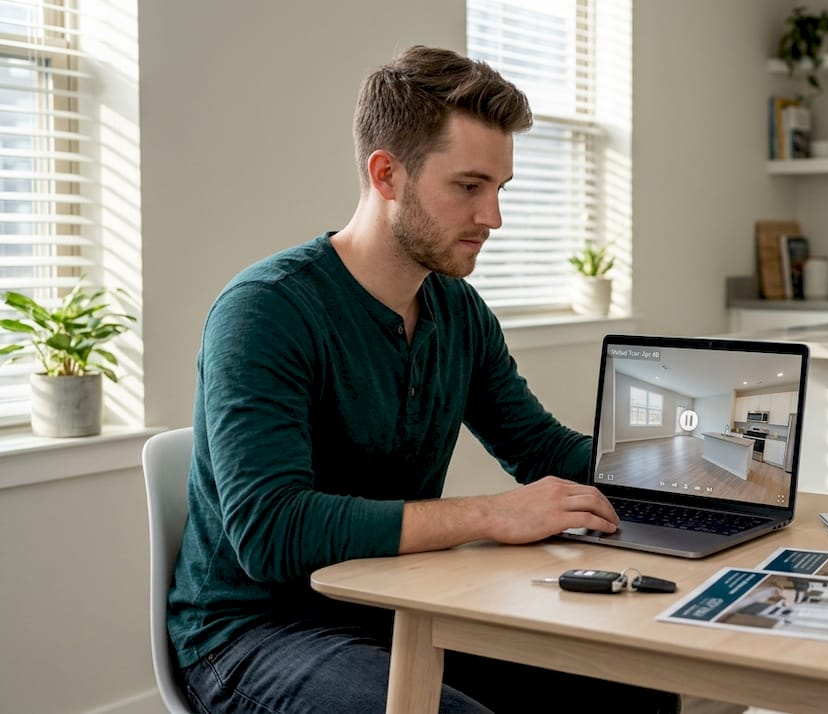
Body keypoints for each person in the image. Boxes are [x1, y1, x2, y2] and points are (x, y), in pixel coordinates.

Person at [169, 45, 681, 714]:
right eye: (468, 187)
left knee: (633, 687)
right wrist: (492, 514)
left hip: (398, 605)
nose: (492, 217)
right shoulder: (266, 311)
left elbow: (539, 447)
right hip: (253, 634)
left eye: (499, 189)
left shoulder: (456, 310)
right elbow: (272, 530)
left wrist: (683, 473)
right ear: (386, 174)